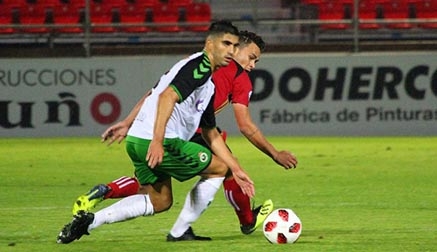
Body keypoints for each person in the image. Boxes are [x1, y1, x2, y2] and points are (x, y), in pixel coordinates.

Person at [69, 31, 298, 240]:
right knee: (225, 169)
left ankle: (107, 191)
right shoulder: (238, 76)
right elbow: (246, 126)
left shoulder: (194, 62)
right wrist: (275, 154)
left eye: (256, 60)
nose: (253, 64)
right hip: (188, 133)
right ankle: (242, 222)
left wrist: (128, 122)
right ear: (235, 49)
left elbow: (155, 93)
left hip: (161, 130)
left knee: (154, 188)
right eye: (251, 57)